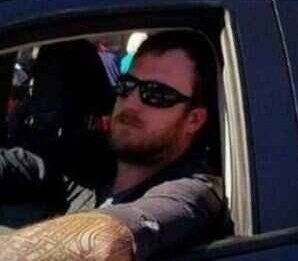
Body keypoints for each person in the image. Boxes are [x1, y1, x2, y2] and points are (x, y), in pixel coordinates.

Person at [0, 31, 230, 261]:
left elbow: (103, 242)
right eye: (126, 85)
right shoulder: (88, 159)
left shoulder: (194, 190)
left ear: (194, 119)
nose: (130, 103)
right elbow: (20, 164)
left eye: (157, 93)